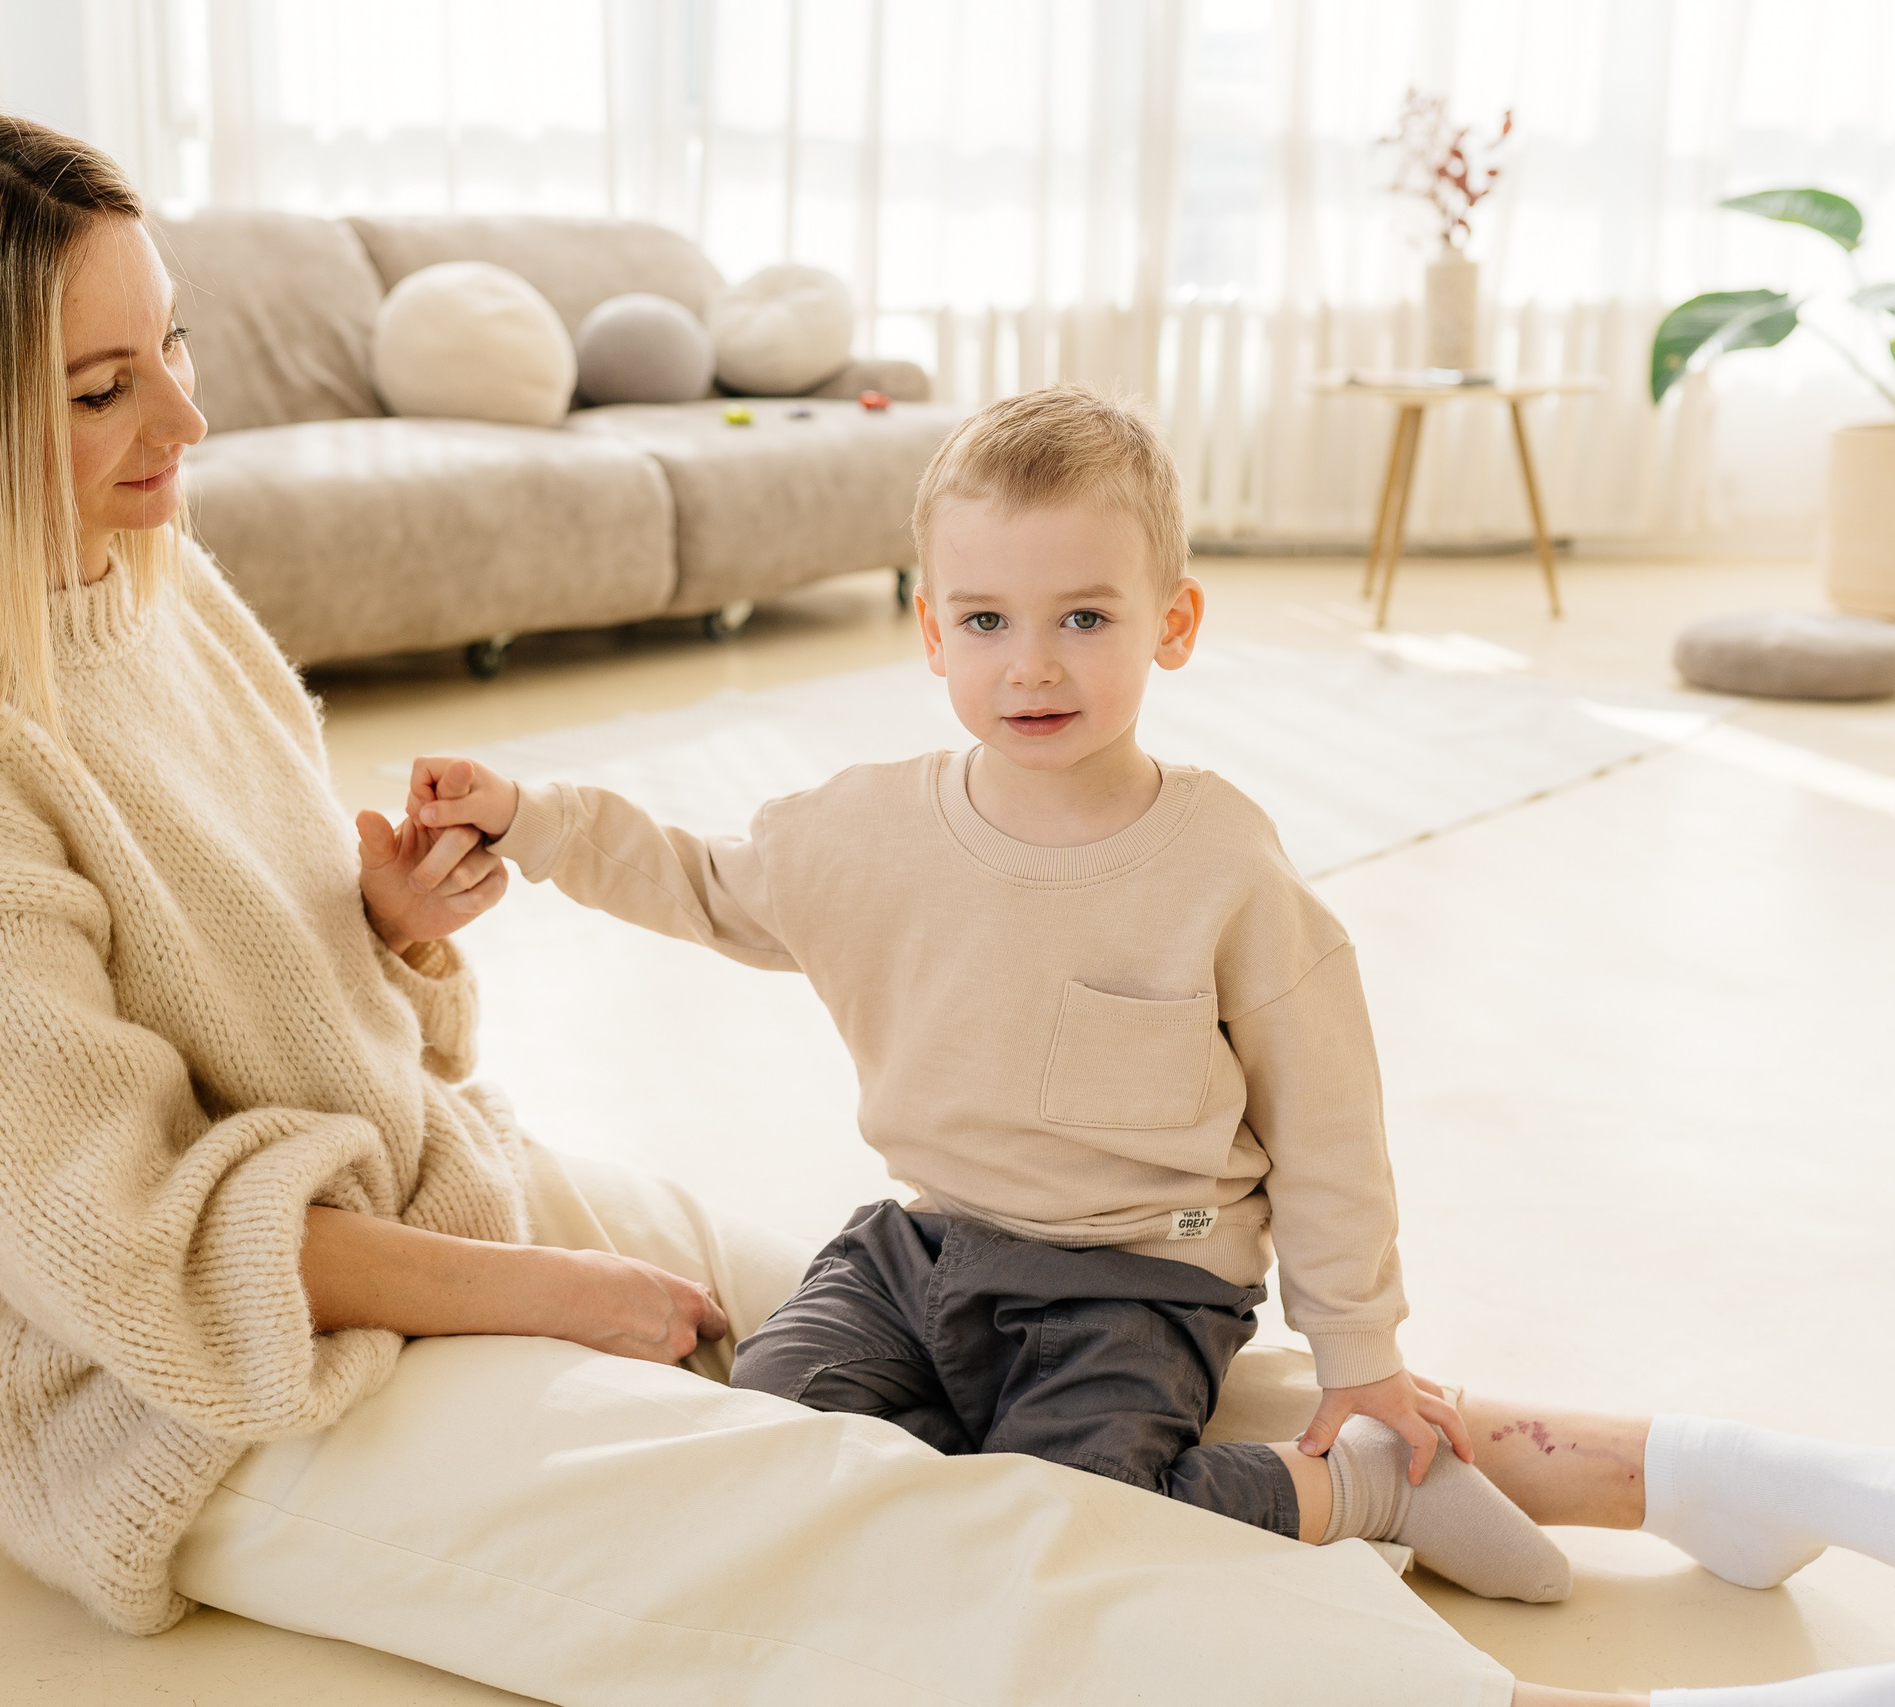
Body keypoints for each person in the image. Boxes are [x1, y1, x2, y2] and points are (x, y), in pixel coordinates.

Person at [0, 108, 1895, 1707]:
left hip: (432, 1197)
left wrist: (390, 926)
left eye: (178, 348)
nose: (186, 420)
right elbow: (118, 1249)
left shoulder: (138, 578)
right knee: (893, 1526)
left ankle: (1681, 1469)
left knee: (1043, 1297)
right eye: (101, 389)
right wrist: (549, 1299)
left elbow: (266, 986)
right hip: (222, 1401)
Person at [401, 386, 1569, 1603]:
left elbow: (1325, 1117)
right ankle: (950, 1491)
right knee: (762, 1432)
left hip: (1140, 1280)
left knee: (1066, 1521)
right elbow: (700, 884)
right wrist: (530, 819)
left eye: (1081, 616)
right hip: (921, 1253)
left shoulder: (1221, 861)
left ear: (1172, 623)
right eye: (985, 620)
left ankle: (1362, 1490)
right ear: (930, 631)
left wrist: (1359, 1356)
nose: (1032, 664)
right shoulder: (868, 825)